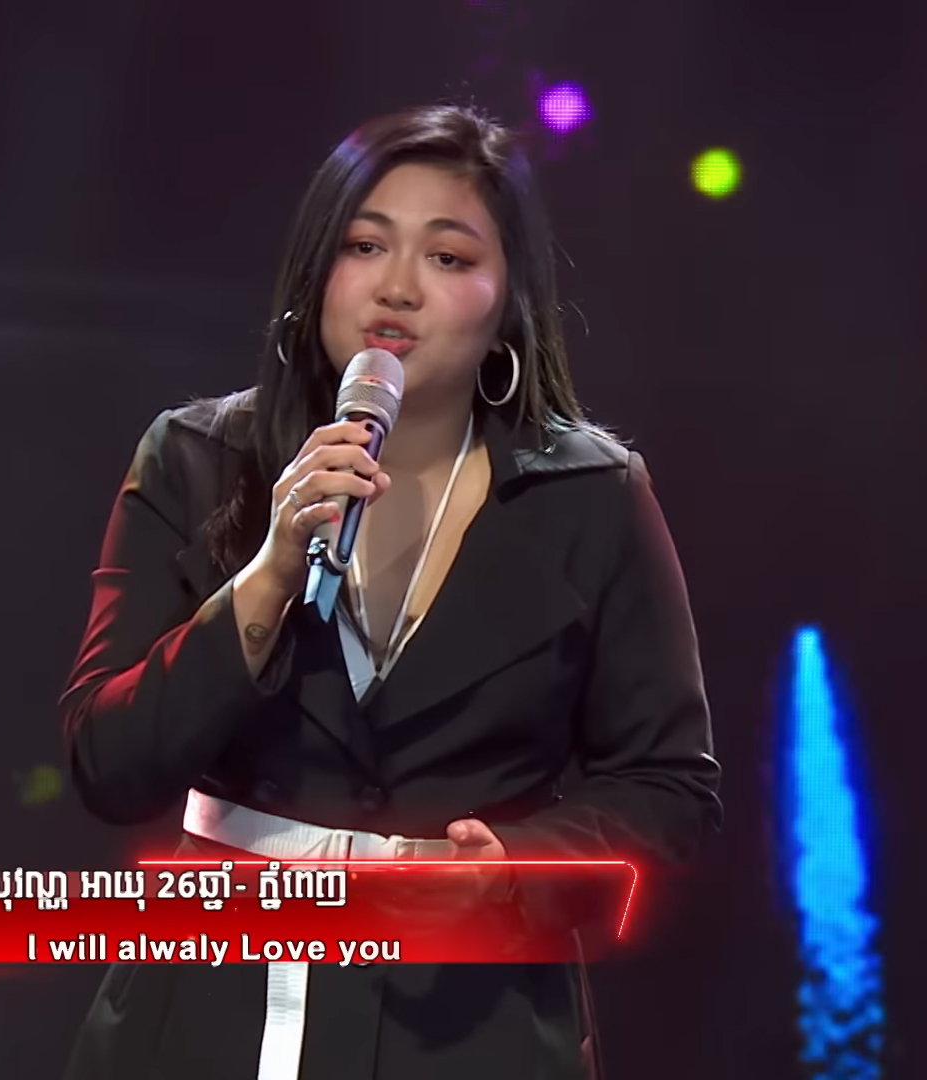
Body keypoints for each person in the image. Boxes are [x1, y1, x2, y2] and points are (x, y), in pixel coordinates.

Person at [59, 102, 722, 1080]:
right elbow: (106, 764)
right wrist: (267, 576)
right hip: (204, 1011)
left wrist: (512, 871)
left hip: (470, 1026)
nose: (398, 287)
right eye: (365, 246)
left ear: (508, 301)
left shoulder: (592, 497)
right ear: (316, 273)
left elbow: (669, 790)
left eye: (449, 257)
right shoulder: (194, 458)